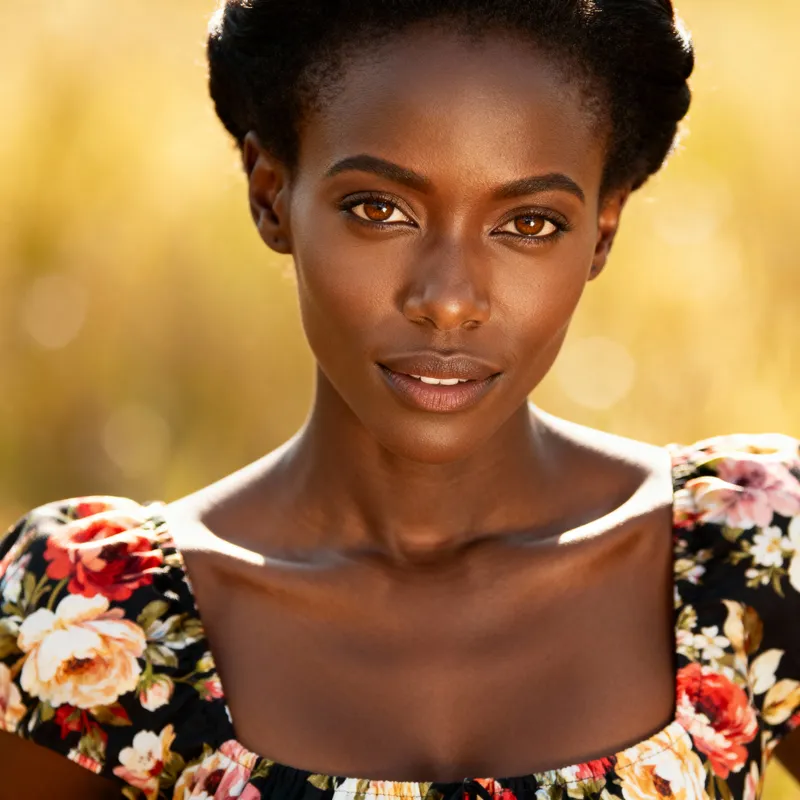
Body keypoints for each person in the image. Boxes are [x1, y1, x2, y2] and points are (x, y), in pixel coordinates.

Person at [2, 1, 799, 798]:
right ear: (270, 195)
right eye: (379, 209)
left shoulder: (748, 556)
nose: (449, 300)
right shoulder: (91, 613)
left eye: (529, 222)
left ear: (601, 231)